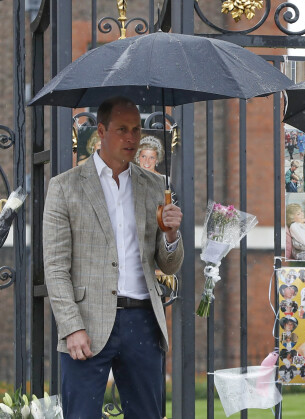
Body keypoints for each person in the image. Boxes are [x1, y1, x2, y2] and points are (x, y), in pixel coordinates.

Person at [43, 96, 184, 418]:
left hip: (143, 320)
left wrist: (172, 234)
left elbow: (169, 264)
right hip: (87, 323)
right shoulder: (64, 187)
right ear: (101, 132)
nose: (132, 138)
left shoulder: (155, 185)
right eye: (122, 129)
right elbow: (55, 266)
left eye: (136, 129)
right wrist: (71, 327)